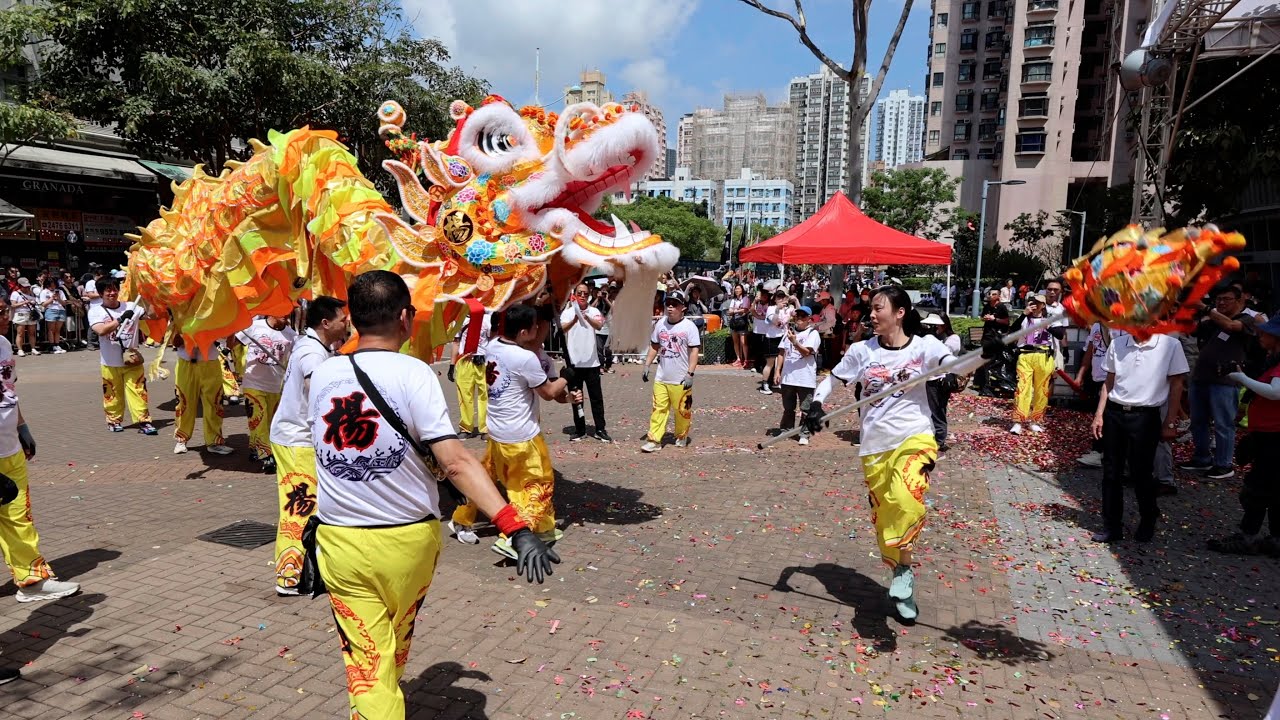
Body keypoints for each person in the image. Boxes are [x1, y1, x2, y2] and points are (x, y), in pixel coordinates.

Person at [308, 272, 559, 718]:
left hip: (340, 542)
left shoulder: (323, 374)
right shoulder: (414, 373)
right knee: (391, 644)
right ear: (406, 318)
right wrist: (514, 526)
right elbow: (457, 462)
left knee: (369, 660)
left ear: (353, 319)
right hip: (407, 544)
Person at [805, 285, 963, 622]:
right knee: (885, 520)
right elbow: (831, 379)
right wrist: (817, 404)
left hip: (914, 439)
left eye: (879, 309)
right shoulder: (863, 351)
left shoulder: (925, 347)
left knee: (907, 498)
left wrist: (981, 358)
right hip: (874, 446)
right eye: (871, 309)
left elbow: (959, 368)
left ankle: (902, 575)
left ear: (900, 312)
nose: (871, 315)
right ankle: (902, 573)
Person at [448, 303, 579, 555]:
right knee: (535, 486)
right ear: (522, 332)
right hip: (521, 435)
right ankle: (513, 538)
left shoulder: (493, 346)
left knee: (483, 481)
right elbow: (550, 393)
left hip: (497, 431)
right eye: (535, 328)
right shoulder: (524, 358)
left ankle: (462, 519)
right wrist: (566, 377)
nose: (539, 331)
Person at [0, 294, 80, 602]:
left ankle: (31, 580)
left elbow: (10, 392)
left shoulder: (4, 346)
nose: (6, 316)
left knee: (19, 516)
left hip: (10, 451)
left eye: (5, 310)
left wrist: (22, 428)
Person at [268, 296, 348, 595]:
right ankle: (288, 576)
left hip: (297, 438)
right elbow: (316, 393)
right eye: (342, 319)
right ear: (326, 323)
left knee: (310, 503)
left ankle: (308, 568)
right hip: (297, 440)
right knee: (298, 505)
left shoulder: (315, 347)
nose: (346, 323)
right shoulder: (312, 354)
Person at [1089, 331, 1187, 543]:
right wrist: (1099, 415)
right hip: (1115, 413)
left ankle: (1148, 518)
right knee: (1111, 472)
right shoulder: (1118, 344)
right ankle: (1112, 526)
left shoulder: (1170, 345)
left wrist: (1170, 421)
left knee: (1141, 472)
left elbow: (1177, 384)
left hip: (1146, 415)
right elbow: (1109, 381)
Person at [1209, 316, 1280, 555]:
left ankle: (1249, 536)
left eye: (1265, 333)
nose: (1260, 336)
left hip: (1275, 437)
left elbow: (1274, 393)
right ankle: (1273, 538)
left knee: (1259, 487)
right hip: (1266, 433)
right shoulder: (1271, 360)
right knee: (1271, 487)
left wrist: (1242, 380)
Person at [1180, 286, 1256, 479]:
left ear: (1240, 302)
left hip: (1224, 381)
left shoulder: (1246, 320)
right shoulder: (1212, 321)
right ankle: (1202, 458)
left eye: (1226, 299)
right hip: (1200, 378)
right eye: (1218, 299)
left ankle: (1224, 464)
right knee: (1198, 422)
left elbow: (1231, 326)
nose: (1221, 303)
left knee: (1223, 424)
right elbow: (1191, 330)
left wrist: (1206, 309)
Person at [86, 278, 157, 435]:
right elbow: (101, 330)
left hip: (132, 360)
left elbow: (153, 316)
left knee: (138, 391)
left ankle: (143, 421)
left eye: (114, 289)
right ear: (100, 293)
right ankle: (114, 420)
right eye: (108, 291)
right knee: (112, 394)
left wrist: (152, 297)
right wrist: (121, 318)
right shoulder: (95, 311)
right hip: (110, 362)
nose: (112, 293)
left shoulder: (131, 306)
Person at [641, 290, 701, 453]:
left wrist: (690, 374)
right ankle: (654, 440)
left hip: (681, 378)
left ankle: (681, 435)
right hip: (662, 377)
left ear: (683, 307)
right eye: (668, 304)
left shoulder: (689, 327)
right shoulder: (660, 324)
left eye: (675, 304)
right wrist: (647, 365)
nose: (670, 307)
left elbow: (694, 351)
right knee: (658, 409)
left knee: (682, 410)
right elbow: (654, 346)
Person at [237, 314, 297, 472]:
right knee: (259, 419)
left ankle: (254, 447)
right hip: (253, 384)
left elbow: (293, 360)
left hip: (275, 386)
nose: (286, 316)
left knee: (269, 422)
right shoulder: (254, 327)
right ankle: (267, 456)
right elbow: (234, 343)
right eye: (283, 312)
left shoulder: (292, 335)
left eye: (289, 313)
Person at [560, 283, 609, 442]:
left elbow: (599, 324)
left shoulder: (594, 311)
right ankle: (580, 429)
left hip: (592, 363)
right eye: (579, 293)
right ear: (575, 294)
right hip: (574, 363)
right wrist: (575, 318)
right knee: (576, 398)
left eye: (585, 293)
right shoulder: (568, 312)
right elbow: (562, 329)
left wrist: (585, 315)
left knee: (596, 398)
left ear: (589, 295)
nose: (582, 296)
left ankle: (600, 428)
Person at [172, 337, 233, 455]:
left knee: (214, 403)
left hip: (210, 363)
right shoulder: (180, 318)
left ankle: (214, 442)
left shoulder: (215, 318)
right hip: (186, 364)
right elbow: (175, 343)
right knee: (184, 403)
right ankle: (181, 439)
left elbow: (229, 334)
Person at [771, 305, 820, 445]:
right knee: (788, 407)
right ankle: (786, 429)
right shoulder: (789, 332)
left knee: (806, 408)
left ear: (809, 319)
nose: (799, 319)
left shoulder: (813, 334)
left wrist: (795, 341)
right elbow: (781, 353)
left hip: (805, 378)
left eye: (803, 316)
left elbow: (806, 352)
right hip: (788, 377)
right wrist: (777, 371)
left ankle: (804, 433)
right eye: (797, 316)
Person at [1009, 294, 1054, 435]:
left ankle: (1035, 420)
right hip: (1026, 355)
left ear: (1044, 305)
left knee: (1042, 390)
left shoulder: (1049, 319)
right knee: (1022, 388)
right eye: (1033, 302)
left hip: (1043, 355)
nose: (1035, 305)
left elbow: (1060, 334)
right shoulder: (1024, 319)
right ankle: (1018, 421)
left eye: (1039, 303)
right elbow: (1012, 330)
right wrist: (1024, 314)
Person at [450, 309, 492, 439]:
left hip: (483, 362)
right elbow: (456, 342)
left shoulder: (487, 319)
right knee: (464, 395)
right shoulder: (460, 319)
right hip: (465, 361)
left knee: (484, 395)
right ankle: (466, 427)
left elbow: (492, 339)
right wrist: (452, 365)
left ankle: (485, 428)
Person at [922, 314, 962, 450]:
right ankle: (933, 435)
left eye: (936, 325)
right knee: (930, 409)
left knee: (938, 408)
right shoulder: (930, 338)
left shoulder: (952, 339)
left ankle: (940, 438)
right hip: (930, 378)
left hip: (942, 379)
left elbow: (943, 354)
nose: (934, 328)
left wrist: (933, 339)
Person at [760, 291, 790, 395]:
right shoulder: (771, 309)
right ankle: (764, 384)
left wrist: (795, 301)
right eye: (779, 297)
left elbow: (794, 317)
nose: (781, 300)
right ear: (775, 299)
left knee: (782, 362)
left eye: (783, 297)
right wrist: (778, 309)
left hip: (782, 337)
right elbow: (775, 321)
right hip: (771, 338)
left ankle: (776, 381)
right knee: (770, 363)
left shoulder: (786, 309)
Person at [10, 278, 39, 357]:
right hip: (20, 314)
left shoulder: (31, 293)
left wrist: (33, 303)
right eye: (24, 287)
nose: (26, 288)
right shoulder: (15, 293)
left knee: (32, 333)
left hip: (30, 314)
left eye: (27, 286)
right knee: (20, 333)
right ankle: (20, 349)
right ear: (20, 286)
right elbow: (13, 305)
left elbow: (36, 302)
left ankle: (33, 348)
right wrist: (23, 302)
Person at [37, 277, 67, 353]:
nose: (52, 287)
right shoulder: (44, 292)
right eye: (50, 285)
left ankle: (57, 344)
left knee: (58, 329)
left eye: (54, 285)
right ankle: (52, 345)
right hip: (50, 310)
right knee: (51, 330)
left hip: (61, 310)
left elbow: (64, 303)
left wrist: (59, 298)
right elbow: (43, 304)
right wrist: (52, 298)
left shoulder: (60, 291)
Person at [725, 283, 751, 369]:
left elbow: (745, 310)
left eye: (738, 288)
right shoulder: (733, 300)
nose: (737, 290)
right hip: (734, 322)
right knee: (735, 341)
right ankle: (738, 358)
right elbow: (730, 310)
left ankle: (746, 359)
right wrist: (738, 310)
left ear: (742, 290)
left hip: (742, 322)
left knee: (744, 342)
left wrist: (735, 311)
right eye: (736, 289)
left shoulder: (745, 299)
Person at [593, 286, 614, 373]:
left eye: (605, 292)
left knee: (608, 350)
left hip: (608, 329)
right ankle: (601, 366)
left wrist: (606, 299)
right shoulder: (597, 302)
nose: (603, 294)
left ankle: (608, 366)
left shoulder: (611, 301)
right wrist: (598, 299)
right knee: (599, 349)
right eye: (602, 292)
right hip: (598, 329)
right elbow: (590, 308)